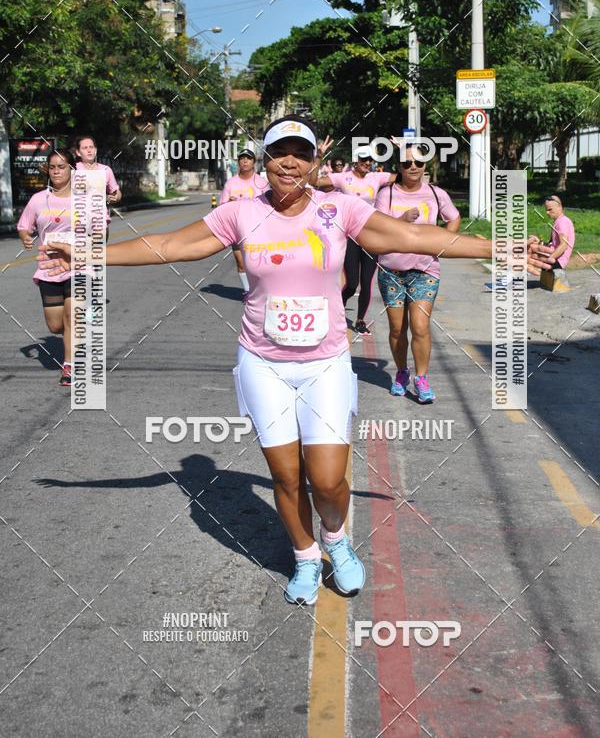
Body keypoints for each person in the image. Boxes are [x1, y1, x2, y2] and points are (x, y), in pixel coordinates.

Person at [39, 115, 554, 606]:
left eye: (300, 153)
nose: (289, 161)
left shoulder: (339, 209)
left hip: (326, 362)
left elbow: (416, 237)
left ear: (313, 161)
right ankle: (305, 558)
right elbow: (171, 244)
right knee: (286, 478)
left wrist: (502, 245)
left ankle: (336, 537)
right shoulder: (240, 212)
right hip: (263, 364)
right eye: (279, 152)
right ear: (264, 159)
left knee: (327, 479)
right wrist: (88, 253)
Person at [375, 144, 461, 403]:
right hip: (391, 270)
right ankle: (402, 372)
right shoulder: (387, 193)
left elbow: (453, 218)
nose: (413, 166)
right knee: (397, 328)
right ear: (398, 167)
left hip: (425, 270)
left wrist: (445, 240)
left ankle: (422, 378)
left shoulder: (436, 193)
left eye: (419, 162)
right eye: (406, 162)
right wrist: (400, 219)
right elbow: (376, 227)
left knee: (420, 326)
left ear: (426, 165)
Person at [315, 149, 396, 335]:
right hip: (350, 237)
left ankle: (360, 320)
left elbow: (403, 175)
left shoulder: (376, 177)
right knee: (351, 283)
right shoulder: (343, 178)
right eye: (363, 160)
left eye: (370, 160)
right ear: (355, 161)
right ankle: (338, 309)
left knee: (366, 281)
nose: (367, 163)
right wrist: (319, 157)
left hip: (371, 236)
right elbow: (314, 182)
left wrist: (403, 148)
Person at [18, 148, 76, 387]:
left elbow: (100, 227)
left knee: (73, 316)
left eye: (61, 166)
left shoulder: (84, 199)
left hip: (78, 265)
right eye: (52, 167)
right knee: (55, 325)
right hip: (49, 268)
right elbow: (24, 225)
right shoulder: (39, 199)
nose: (56, 171)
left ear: (72, 169)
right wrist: (25, 237)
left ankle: (69, 367)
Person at [220, 148, 270, 295]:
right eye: (242, 158)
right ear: (238, 162)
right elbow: (221, 208)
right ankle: (248, 292)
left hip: (258, 229)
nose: (245, 161)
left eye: (248, 158)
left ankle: (263, 289)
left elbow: (269, 206)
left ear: (254, 162)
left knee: (259, 263)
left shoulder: (262, 183)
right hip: (236, 230)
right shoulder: (230, 184)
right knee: (241, 263)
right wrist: (228, 203)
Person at [73, 136, 121, 241]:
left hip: (100, 222)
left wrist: (116, 197)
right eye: (85, 148)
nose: (89, 150)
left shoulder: (106, 170)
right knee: (80, 256)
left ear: (96, 150)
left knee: (97, 256)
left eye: (92, 147)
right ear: (78, 152)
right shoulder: (72, 169)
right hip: (77, 223)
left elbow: (116, 192)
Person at [544, 195, 575, 270]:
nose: (547, 213)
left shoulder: (562, 222)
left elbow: (564, 245)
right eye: (546, 210)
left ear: (559, 207)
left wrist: (550, 258)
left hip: (558, 260)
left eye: (550, 209)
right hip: (555, 256)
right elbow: (553, 243)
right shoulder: (558, 221)